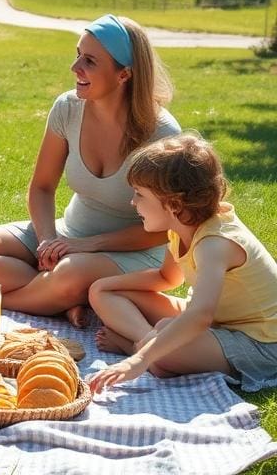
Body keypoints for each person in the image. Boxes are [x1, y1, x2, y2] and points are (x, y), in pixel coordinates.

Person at [0, 14, 180, 327]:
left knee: (69, 274)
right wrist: (48, 240)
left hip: (133, 253)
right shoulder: (67, 107)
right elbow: (42, 187)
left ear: (124, 74)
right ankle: (58, 300)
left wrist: (87, 246)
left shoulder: (161, 134)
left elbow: (165, 229)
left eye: (89, 61)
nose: (75, 68)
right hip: (68, 236)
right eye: (78, 54)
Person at [88, 134, 277, 393]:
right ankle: (149, 343)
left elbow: (200, 316)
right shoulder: (181, 227)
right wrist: (108, 285)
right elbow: (168, 278)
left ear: (174, 204)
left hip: (261, 342)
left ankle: (139, 348)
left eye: (139, 194)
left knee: (164, 347)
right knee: (102, 290)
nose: (133, 202)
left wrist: (139, 359)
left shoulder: (214, 244)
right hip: (218, 324)